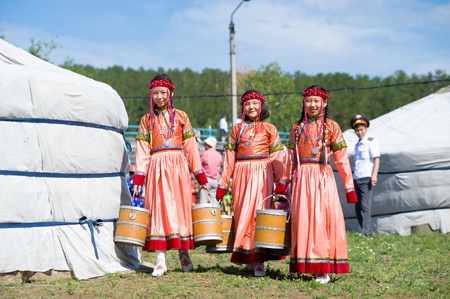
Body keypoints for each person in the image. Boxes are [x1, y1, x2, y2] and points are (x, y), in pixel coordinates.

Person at [274, 85, 358, 284]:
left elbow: (341, 158)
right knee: (302, 221)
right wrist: (284, 181)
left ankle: (323, 268)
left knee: (322, 220)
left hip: (322, 177)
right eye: (308, 100)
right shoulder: (296, 127)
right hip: (302, 178)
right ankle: (306, 264)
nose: (312, 104)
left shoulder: (332, 127)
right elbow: (289, 159)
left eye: (316, 101)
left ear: (325, 103)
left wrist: (349, 186)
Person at [133, 73, 208, 277]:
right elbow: (141, 149)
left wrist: (200, 175)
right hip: (157, 165)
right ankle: (160, 260)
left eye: (162, 92)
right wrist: (139, 177)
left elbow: (191, 147)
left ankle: (183, 253)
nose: (159, 97)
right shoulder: (146, 120)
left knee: (180, 208)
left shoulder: (182, 117)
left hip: (178, 166)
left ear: (171, 93)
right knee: (158, 209)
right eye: (155, 93)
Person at [215, 90, 284, 277]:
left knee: (259, 214)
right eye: (247, 104)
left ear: (261, 106)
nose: (251, 107)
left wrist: (280, 183)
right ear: (243, 107)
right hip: (241, 174)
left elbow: (277, 157)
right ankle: (248, 255)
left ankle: (259, 259)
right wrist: (222, 184)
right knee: (242, 214)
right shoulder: (236, 130)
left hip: (263, 174)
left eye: (255, 103)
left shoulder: (270, 129)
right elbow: (229, 158)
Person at [350, 114, 380, 236]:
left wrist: (374, 175)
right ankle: (365, 230)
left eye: (361, 129)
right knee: (358, 206)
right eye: (357, 130)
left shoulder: (371, 142)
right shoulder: (357, 145)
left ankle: (365, 232)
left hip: (367, 177)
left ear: (366, 129)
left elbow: (376, 158)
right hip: (357, 177)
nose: (359, 132)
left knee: (365, 206)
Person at [198, 136, 223, 204]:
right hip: (215, 181)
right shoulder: (218, 155)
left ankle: (203, 214)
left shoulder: (205, 153)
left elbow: (198, 164)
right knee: (214, 203)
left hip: (206, 180)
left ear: (208, 145)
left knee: (203, 202)